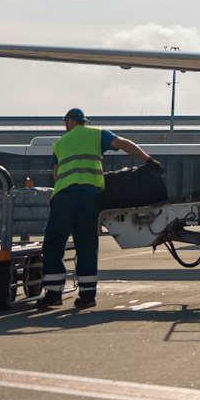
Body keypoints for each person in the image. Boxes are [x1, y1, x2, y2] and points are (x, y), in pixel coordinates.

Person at [37, 108, 161, 310]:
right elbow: (124, 144)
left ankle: (53, 293)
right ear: (83, 122)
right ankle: (87, 295)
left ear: (68, 122)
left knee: (54, 242)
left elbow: (57, 174)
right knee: (87, 244)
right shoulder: (97, 134)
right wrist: (148, 159)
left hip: (65, 196)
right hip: (90, 197)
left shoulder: (60, 143)